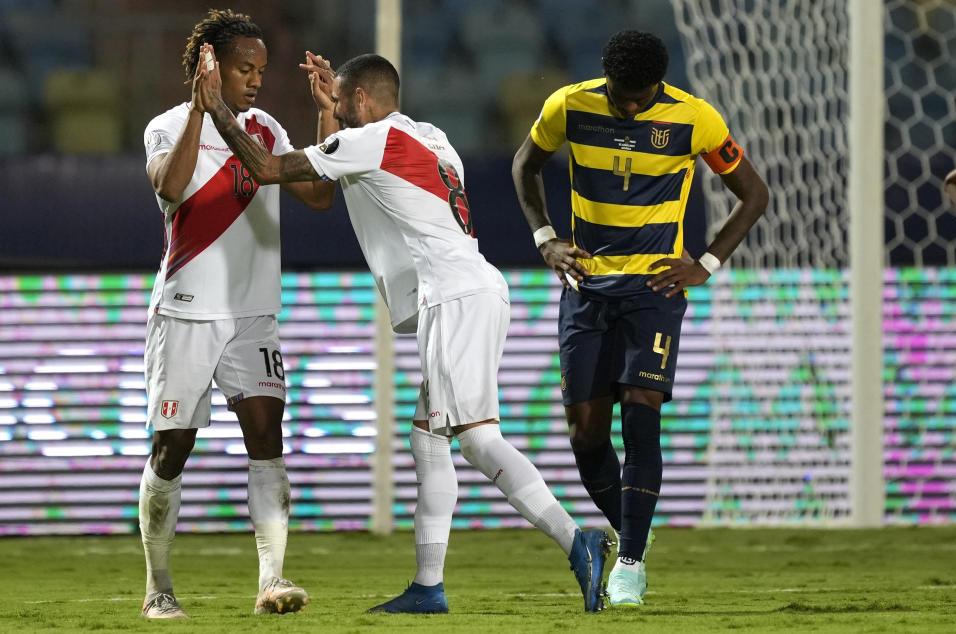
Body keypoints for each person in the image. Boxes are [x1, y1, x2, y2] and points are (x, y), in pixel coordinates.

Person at [194, 48, 612, 613]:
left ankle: (575, 541)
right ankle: (428, 587)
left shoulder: (372, 142)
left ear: (362, 99)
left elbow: (270, 169)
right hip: (470, 288)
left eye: (341, 104)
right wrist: (328, 112)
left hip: (456, 297)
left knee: (478, 438)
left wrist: (217, 107)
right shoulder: (432, 137)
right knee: (428, 438)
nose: (337, 114)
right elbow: (352, 176)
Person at [511, 30, 769, 607]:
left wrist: (705, 263)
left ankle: (628, 562)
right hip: (587, 286)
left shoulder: (695, 118)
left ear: (659, 82)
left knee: (641, 415)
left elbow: (753, 192)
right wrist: (546, 238)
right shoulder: (569, 105)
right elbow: (525, 166)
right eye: (621, 95)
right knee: (585, 435)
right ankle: (635, 529)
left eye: (640, 96)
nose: (630, 106)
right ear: (607, 80)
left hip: (654, 290)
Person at [139, 9, 333, 619]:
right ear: (210, 65)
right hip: (188, 311)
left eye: (261, 70)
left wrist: (327, 114)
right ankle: (158, 588)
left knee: (267, 441)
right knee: (172, 449)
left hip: (254, 314)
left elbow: (320, 196)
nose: (256, 81)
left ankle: (270, 582)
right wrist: (201, 110)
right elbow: (170, 188)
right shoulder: (167, 126)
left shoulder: (266, 129)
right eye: (244, 68)